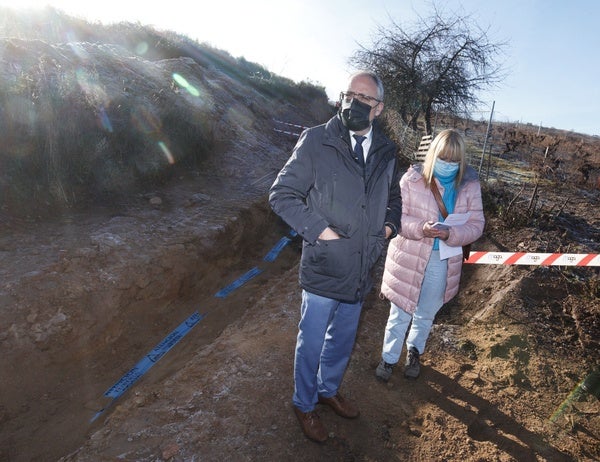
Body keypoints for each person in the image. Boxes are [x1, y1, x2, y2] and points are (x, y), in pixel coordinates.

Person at [269, 70, 402, 443]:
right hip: (325, 264)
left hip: (362, 266)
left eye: (365, 98)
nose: (353, 102)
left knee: (342, 340)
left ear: (377, 109)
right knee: (311, 341)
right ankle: (304, 402)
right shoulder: (316, 140)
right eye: (349, 94)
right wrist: (320, 232)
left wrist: (387, 229)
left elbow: (395, 197)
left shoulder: (387, 152)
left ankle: (328, 390)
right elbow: (282, 194)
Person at [375, 129, 484, 382]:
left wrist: (451, 234)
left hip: (444, 259)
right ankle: (388, 359)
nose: (449, 164)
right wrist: (421, 228)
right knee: (400, 310)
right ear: (433, 154)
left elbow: (477, 224)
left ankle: (414, 352)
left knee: (426, 312)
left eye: (455, 160)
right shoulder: (412, 179)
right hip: (409, 253)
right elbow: (396, 217)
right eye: (444, 158)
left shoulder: (469, 185)